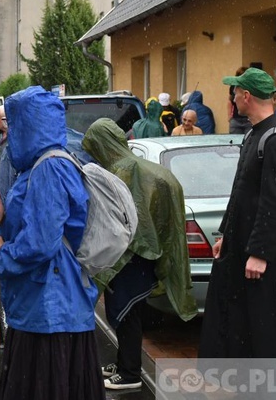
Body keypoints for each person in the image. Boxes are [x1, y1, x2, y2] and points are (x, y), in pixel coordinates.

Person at [0, 86, 106, 400]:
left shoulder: (48, 167)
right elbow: (38, 220)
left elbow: (41, 243)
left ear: (28, 125)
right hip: (51, 303)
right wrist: (4, 212)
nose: (9, 132)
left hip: (50, 308)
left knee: (44, 386)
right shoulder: (43, 163)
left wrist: (3, 253)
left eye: (14, 123)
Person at [82, 118, 197, 390]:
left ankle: (131, 373)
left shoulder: (125, 170)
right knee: (128, 312)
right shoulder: (141, 167)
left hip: (129, 258)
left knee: (125, 313)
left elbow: (117, 222)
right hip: (143, 258)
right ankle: (124, 362)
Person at [199, 67, 276, 358]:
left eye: (235, 91)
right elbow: (240, 191)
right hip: (240, 248)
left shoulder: (275, 141)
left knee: (263, 329)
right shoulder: (252, 136)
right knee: (241, 324)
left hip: (262, 261)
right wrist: (226, 233)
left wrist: (260, 253)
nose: (232, 97)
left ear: (246, 96)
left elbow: (275, 202)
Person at [228, 67, 252, 134]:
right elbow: (230, 101)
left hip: (248, 119)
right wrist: (229, 116)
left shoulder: (250, 87)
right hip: (236, 119)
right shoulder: (233, 86)